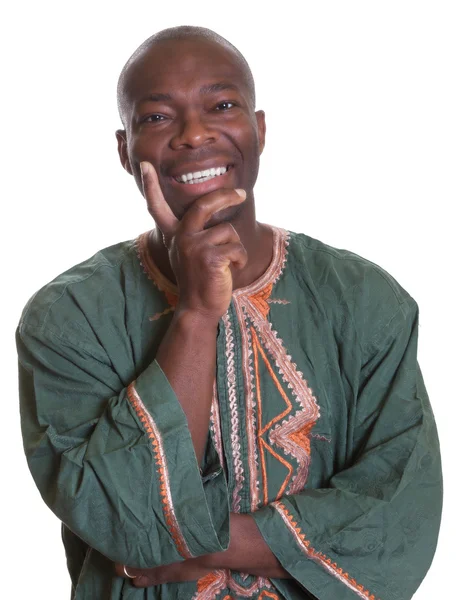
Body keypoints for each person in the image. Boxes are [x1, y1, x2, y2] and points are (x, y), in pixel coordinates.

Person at [16, 25, 442, 600]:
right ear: (125, 151)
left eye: (221, 105)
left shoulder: (364, 299)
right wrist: (195, 312)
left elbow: (398, 513)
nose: (195, 135)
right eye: (158, 117)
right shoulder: (67, 318)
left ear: (259, 130)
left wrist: (195, 548)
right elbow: (130, 520)